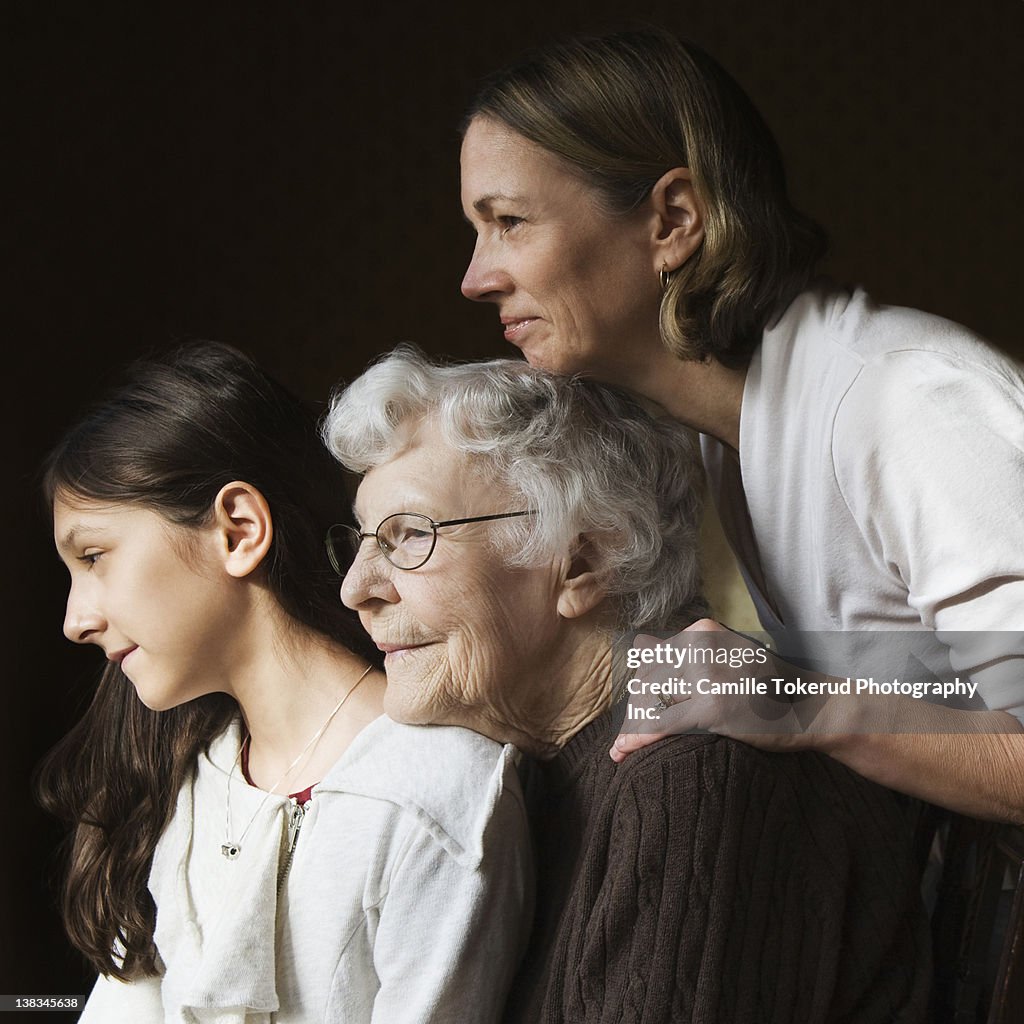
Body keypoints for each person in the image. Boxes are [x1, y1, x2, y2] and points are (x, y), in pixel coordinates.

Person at [457, 27, 1024, 824]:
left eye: (510, 221)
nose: (475, 278)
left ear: (673, 219)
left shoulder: (907, 403)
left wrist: (794, 700)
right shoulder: (718, 437)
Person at [325, 347, 931, 1023]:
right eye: (362, 540)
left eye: (410, 537)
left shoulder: (692, 776)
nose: (356, 589)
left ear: (582, 560)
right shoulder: (534, 778)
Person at [37, 342, 530, 1023]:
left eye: (95, 557)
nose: (74, 621)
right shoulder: (179, 778)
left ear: (237, 531)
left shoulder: (435, 794)